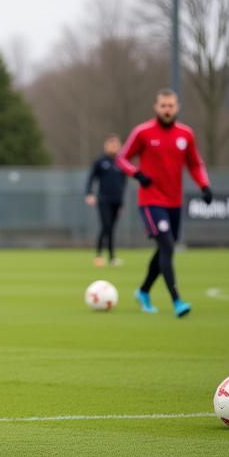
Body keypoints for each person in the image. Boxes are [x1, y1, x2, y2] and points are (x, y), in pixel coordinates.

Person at [116, 89, 213, 317]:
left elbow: (195, 164)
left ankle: (143, 291)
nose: (167, 109)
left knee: (164, 248)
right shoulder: (143, 132)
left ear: (177, 107)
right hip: (151, 200)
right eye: (163, 105)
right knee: (168, 246)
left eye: (171, 105)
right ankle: (177, 301)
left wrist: (204, 185)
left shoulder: (186, 134)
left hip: (174, 202)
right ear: (156, 107)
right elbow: (122, 158)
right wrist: (136, 174)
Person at [85, 134, 127, 266]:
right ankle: (98, 255)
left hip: (117, 201)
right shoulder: (100, 161)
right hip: (104, 200)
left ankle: (112, 257)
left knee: (112, 229)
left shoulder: (122, 162)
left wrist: (122, 203)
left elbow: (123, 184)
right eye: (111, 144)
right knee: (106, 226)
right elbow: (91, 178)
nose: (113, 147)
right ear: (106, 145)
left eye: (116, 144)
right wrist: (89, 193)